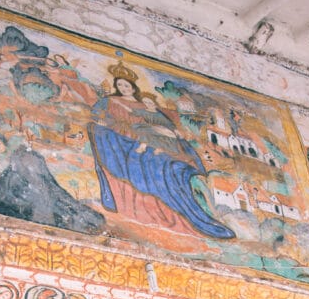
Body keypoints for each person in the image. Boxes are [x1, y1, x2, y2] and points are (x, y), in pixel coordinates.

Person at [87, 59, 234, 239]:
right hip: (123, 135)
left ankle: (182, 211)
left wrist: (167, 133)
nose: (124, 87)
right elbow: (95, 115)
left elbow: (166, 125)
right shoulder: (110, 101)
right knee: (140, 156)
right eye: (120, 85)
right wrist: (104, 123)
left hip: (150, 138)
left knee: (168, 165)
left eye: (126, 84)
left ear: (133, 87)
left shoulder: (147, 107)